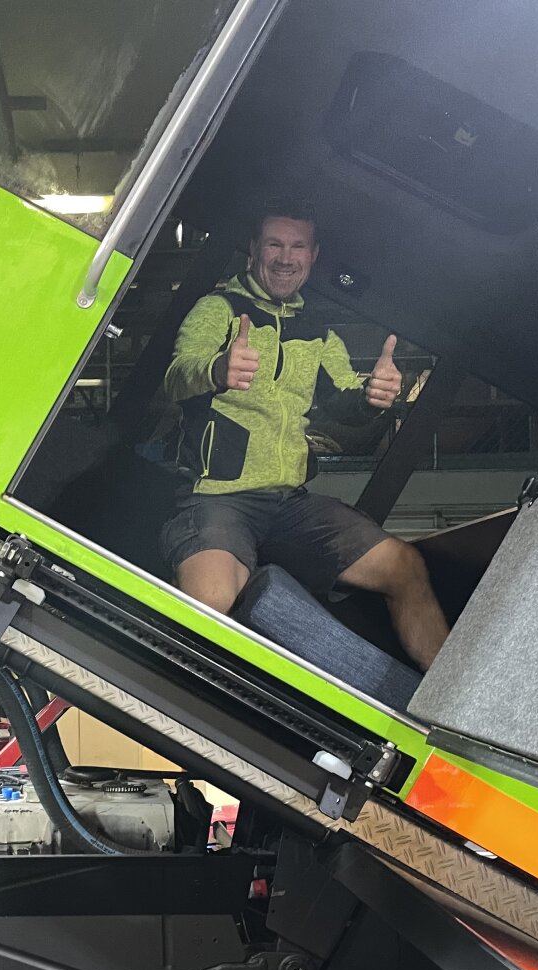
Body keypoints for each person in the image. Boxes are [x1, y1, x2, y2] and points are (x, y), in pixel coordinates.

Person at [160, 202, 450, 669]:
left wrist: (376, 397)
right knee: (210, 605)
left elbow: (344, 402)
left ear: (312, 256)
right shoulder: (220, 309)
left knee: (404, 566)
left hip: (289, 504)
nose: (285, 256)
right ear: (255, 250)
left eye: (297, 246)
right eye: (274, 243)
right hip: (219, 499)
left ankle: (450, 710)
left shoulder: (318, 330)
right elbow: (176, 375)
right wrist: (216, 369)